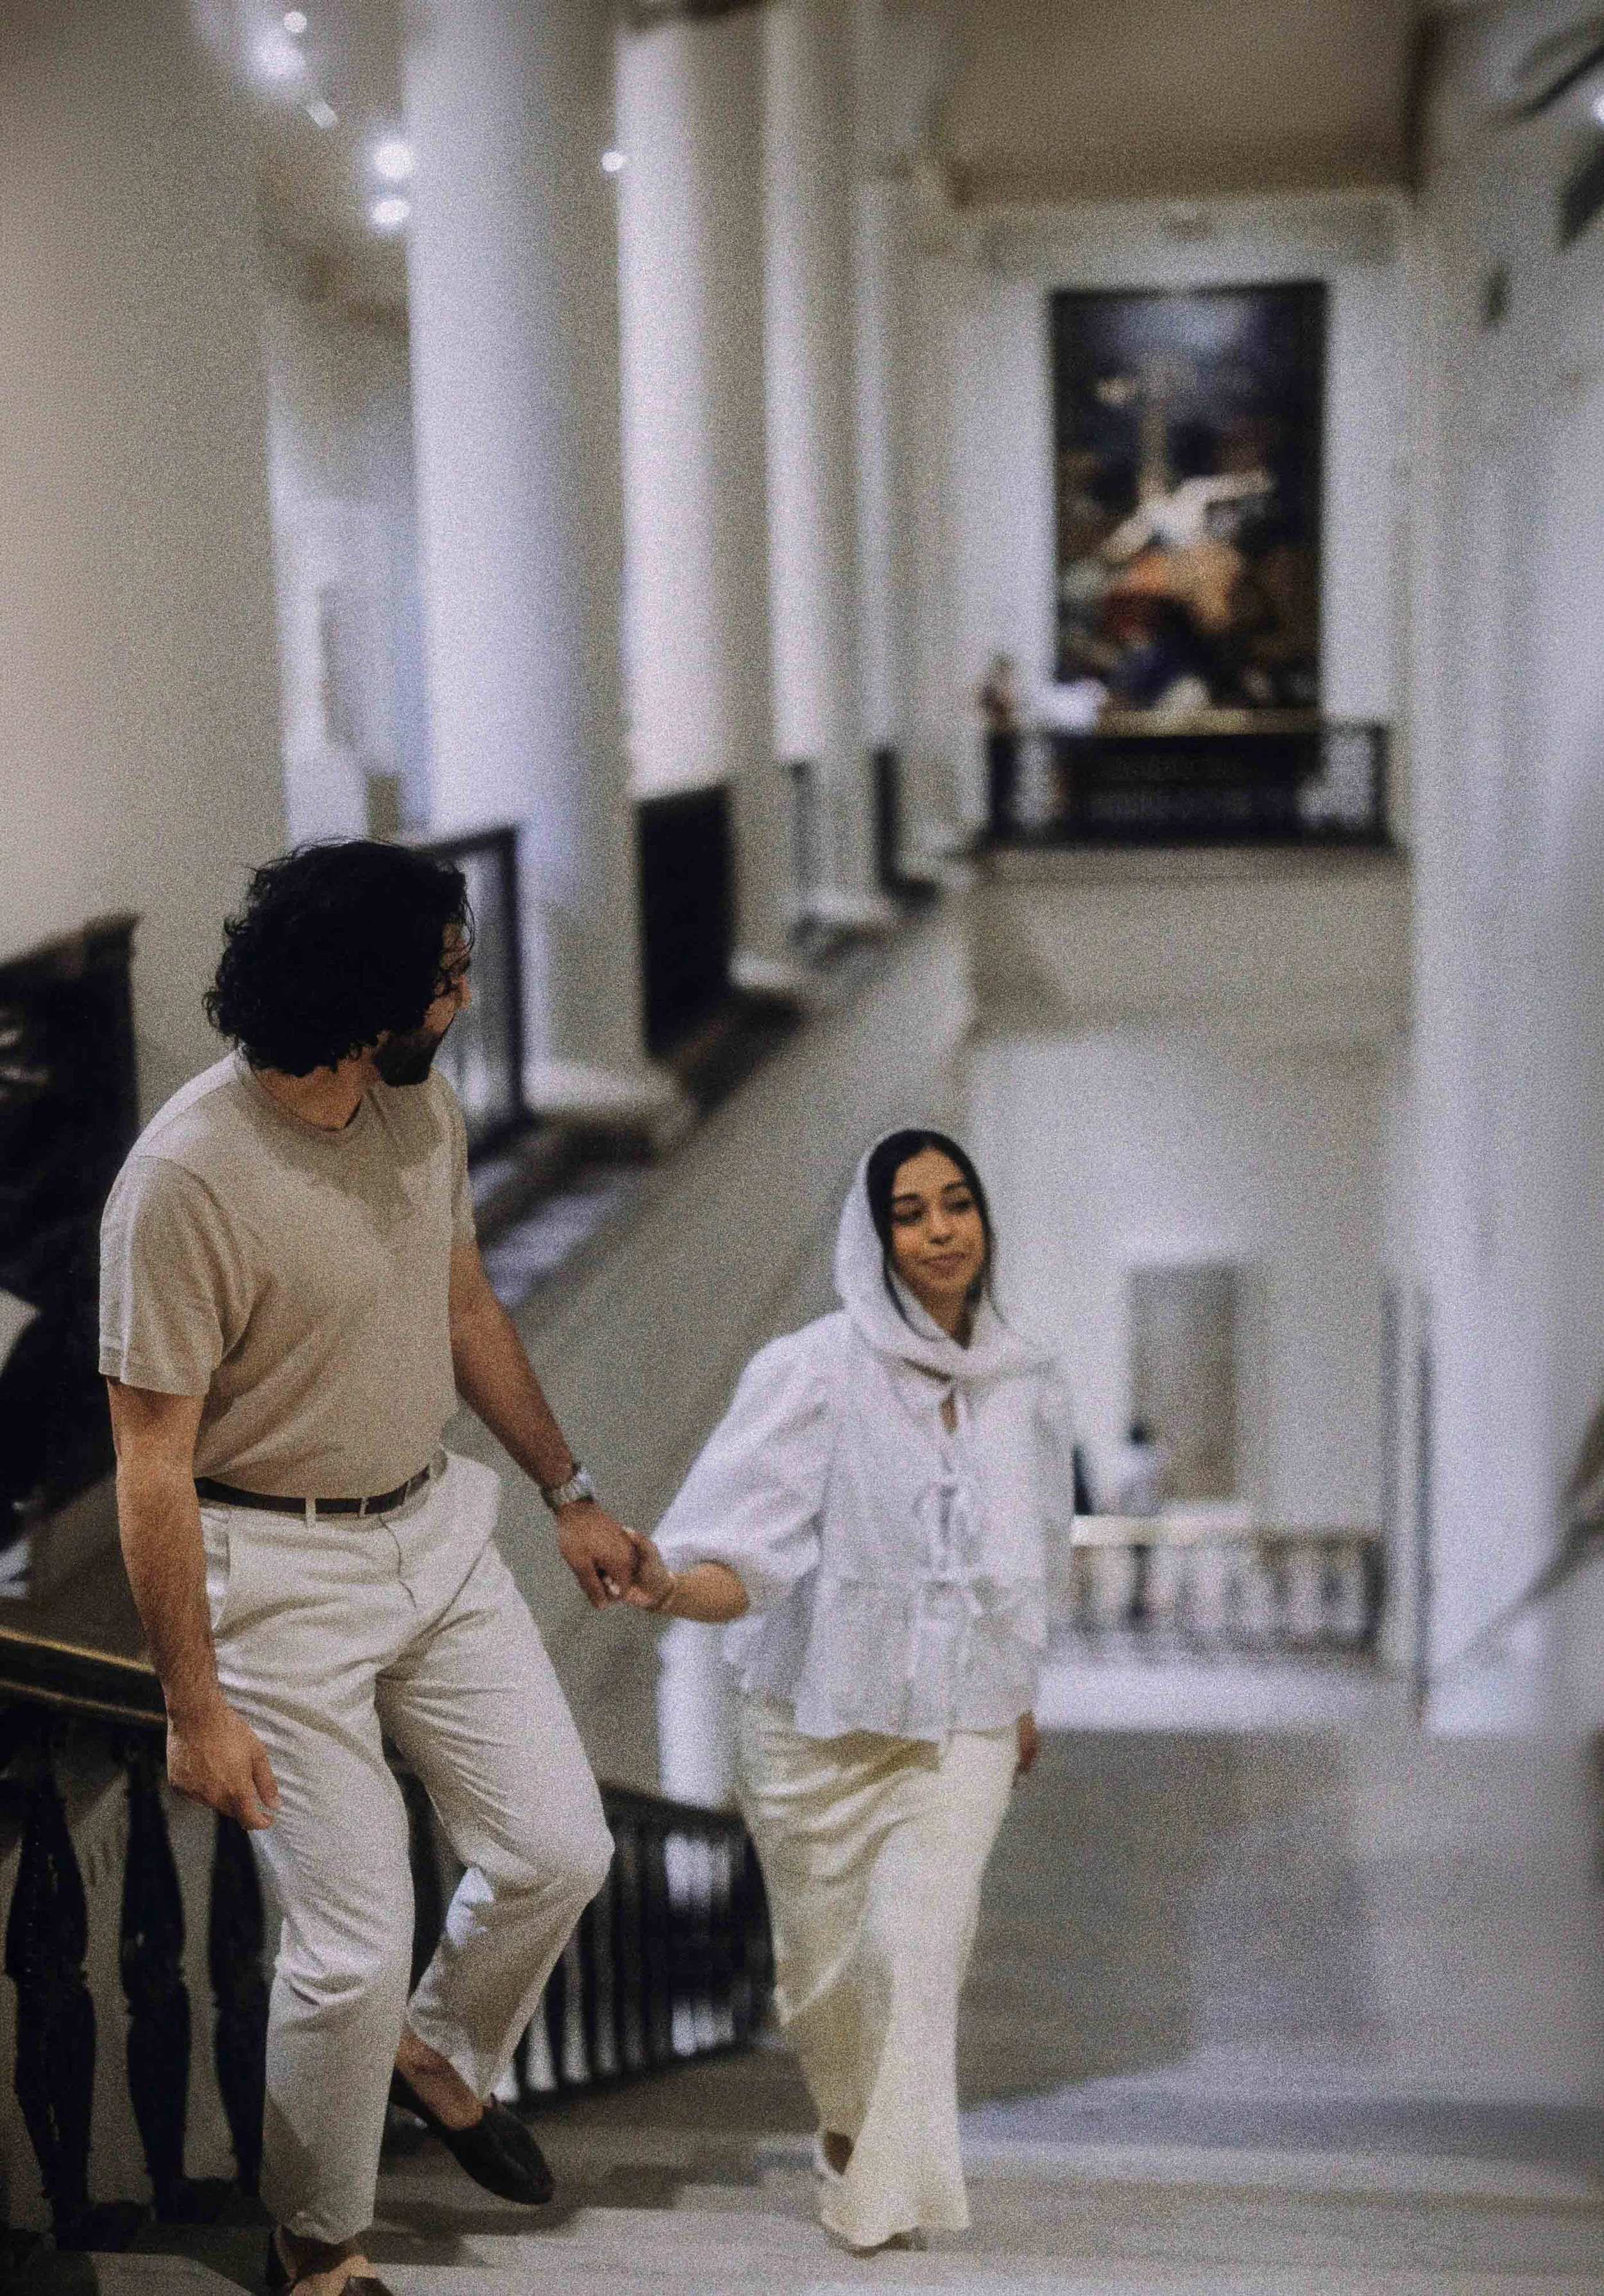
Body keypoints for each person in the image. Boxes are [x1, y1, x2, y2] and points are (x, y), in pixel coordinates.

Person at [99, 841, 636, 2296]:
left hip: (436, 1534)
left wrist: (568, 1493)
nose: (464, 996)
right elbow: (151, 1465)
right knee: (346, 1947)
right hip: (268, 1573)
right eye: (448, 975)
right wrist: (194, 1706)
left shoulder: (419, 1107)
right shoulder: (185, 1181)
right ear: (364, 996)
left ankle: (436, 2050)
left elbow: (463, 1304)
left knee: (559, 1849)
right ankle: (317, 2247)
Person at [622, 1127, 1075, 2254]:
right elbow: (747, 1555)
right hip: (813, 1726)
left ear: (983, 1218)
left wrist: (1017, 1689)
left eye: (956, 1203)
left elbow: (1040, 1548)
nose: (939, 1230)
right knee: (822, 1979)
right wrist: (666, 1582)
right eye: (910, 1213)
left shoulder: (1027, 1378)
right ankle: (847, 2121)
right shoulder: (813, 1371)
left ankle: (881, 2198)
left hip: (960, 1722)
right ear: (877, 1238)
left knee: (919, 1946)